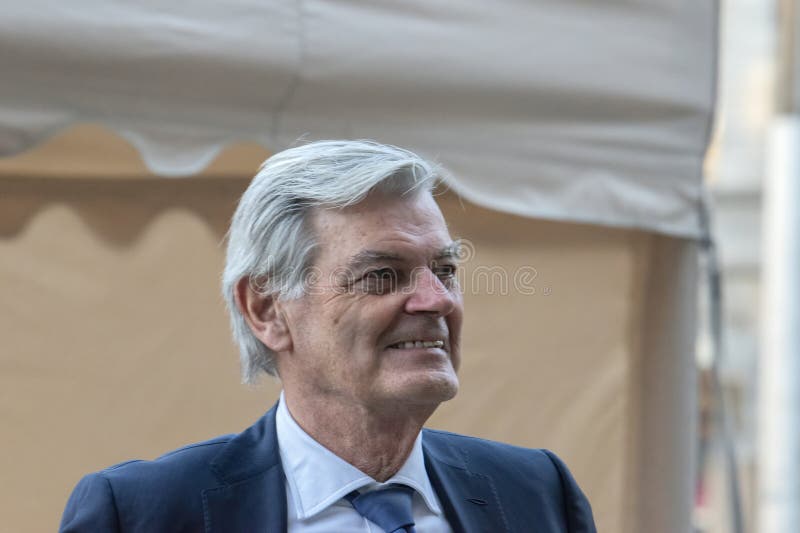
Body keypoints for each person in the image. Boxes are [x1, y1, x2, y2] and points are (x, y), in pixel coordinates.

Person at [60, 140, 596, 532]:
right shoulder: (141, 515)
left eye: (446, 270)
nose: (437, 300)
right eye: (381, 275)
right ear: (267, 309)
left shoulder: (536, 493)